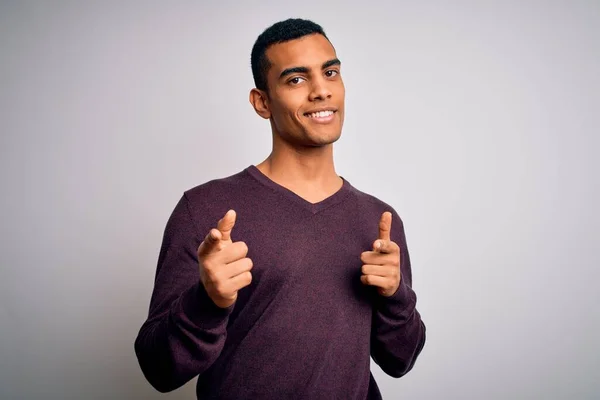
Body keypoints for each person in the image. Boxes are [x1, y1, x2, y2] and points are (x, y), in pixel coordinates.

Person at [134, 18, 426, 399]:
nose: (321, 90)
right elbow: (158, 369)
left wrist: (395, 297)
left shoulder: (379, 220)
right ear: (262, 102)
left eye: (331, 72)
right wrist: (207, 302)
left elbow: (400, 361)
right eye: (296, 79)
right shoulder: (204, 210)